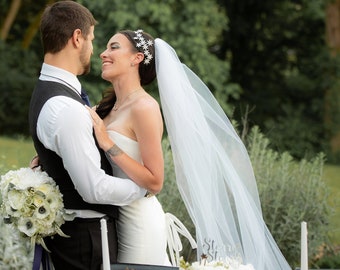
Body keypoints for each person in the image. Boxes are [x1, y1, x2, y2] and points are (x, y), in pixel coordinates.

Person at [87, 29, 293, 270]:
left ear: (137, 58)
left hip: (139, 222)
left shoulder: (144, 107)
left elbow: (155, 182)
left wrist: (108, 143)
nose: (103, 53)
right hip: (112, 217)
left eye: (114, 47)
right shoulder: (106, 105)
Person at [28, 3, 146, 270]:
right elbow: (93, 188)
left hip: (81, 237)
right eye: (91, 40)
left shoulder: (48, 91)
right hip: (89, 241)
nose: (94, 50)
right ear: (77, 37)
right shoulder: (66, 108)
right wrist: (142, 189)